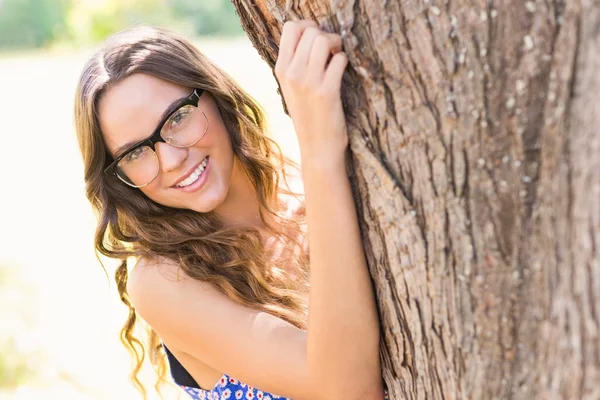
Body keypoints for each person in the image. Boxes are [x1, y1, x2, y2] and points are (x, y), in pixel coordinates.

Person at [74, 20, 384, 400]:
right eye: (135, 152)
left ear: (215, 96)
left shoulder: (308, 191)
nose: (170, 160)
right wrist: (319, 147)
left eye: (177, 118)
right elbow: (345, 389)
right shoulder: (164, 281)